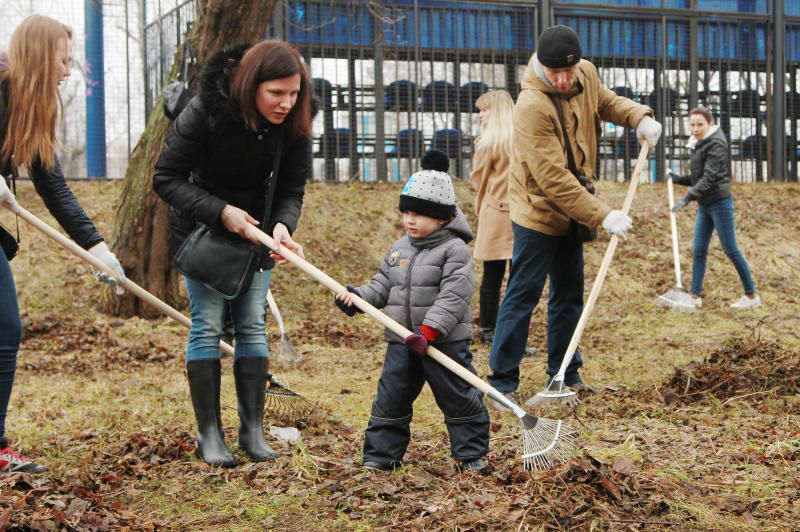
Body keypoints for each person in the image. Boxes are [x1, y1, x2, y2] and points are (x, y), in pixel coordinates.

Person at [153, 40, 312, 467]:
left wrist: (282, 225)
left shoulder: (293, 123)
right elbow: (166, 178)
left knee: (252, 326)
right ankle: (209, 434)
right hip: (203, 231)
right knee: (206, 326)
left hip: (256, 234)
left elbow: (292, 188)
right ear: (250, 85)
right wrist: (221, 212)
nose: (286, 102)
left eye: (293, 93)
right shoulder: (205, 111)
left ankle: (252, 430)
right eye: (276, 93)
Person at [487, 25, 662, 410]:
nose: (564, 80)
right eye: (556, 74)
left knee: (569, 294)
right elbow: (553, 179)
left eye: (569, 72)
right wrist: (603, 215)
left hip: (575, 209)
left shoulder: (585, 72)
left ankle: (564, 374)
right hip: (538, 212)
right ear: (542, 67)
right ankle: (501, 382)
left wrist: (638, 118)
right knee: (523, 293)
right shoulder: (531, 106)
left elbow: (605, 102)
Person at [0, 15, 126, 473]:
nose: (69, 71)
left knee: (4, 329)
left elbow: (52, 187)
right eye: (64, 59)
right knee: (4, 328)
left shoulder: (33, 106)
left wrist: (96, 247)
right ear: (39, 54)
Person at [334, 167, 490, 472]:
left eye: (419, 214)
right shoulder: (398, 249)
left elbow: (454, 296)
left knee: (457, 396)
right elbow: (383, 284)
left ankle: (470, 455)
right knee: (391, 396)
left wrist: (429, 330)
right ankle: (380, 456)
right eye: (406, 212)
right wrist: (359, 299)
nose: (410, 220)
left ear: (444, 217)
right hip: (401, 340)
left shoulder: (454, 251)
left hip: (443, 342)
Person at [668, 106, 759, 309]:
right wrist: (677, 179)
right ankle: (694, 296)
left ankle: (751, 296)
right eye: (692, 124)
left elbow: (709, 178)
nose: (695, 128)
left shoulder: (716, 143)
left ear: (710, 124)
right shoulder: (699, 143)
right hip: (705, 204)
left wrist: (687, 198)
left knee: (730, 249)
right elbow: (697, 177)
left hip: (719, 203)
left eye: (700, 124)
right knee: (699, 250)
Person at [470, 90, 515, 345]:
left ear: (495, 112)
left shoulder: (487, 144)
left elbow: (479, 179)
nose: (480, 115)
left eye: (484, 110)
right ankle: (509, 330)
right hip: (520, 214)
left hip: (495, 215)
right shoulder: (522, 139)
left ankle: (488, 327)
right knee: (517, 278)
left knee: (492, 275)